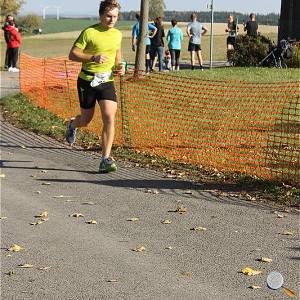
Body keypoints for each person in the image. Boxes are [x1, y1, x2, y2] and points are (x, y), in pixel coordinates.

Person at [66, 0, 125, 173]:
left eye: (115, 16)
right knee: (86, 120)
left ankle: (105, 159)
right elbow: (73, 54)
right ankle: (72, 125)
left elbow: (117, 54)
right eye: (108, 16)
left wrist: (119, 67)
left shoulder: (117, 34)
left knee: (109, 116)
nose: (111, 20)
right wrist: (93, 58)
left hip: (106, 81)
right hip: (87, 81)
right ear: (101, 15)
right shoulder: (89, 32)